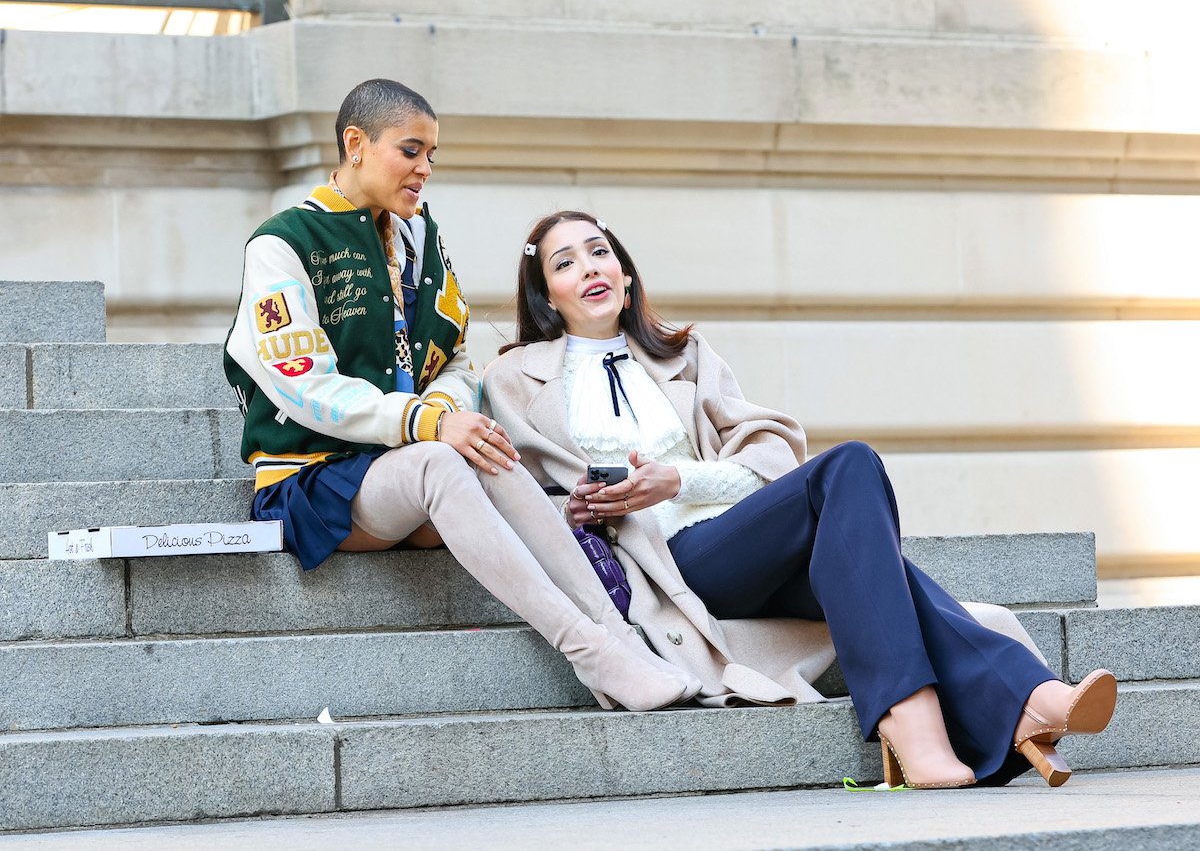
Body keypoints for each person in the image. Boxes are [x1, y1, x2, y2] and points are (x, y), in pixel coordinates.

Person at [482, 210, 1118, 788]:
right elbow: (521, 493)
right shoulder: (516, 377)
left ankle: (1010, 709)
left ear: (625, 274)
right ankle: (984, 707)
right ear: (548, 294)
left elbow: (770, 454)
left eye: (599, 252)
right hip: (669, 563)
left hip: (741, 535)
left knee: (870, 556)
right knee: (850, 467)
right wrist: (579, 508)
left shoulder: (683, 354)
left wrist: (680, 481)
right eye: (564, 262)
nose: (588, 267)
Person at [223, 80, 704, 713]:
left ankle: (622, 641)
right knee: (444, 458)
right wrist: (424, 421)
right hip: (314, 479)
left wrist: (448, 410)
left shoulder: (421, 235)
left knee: (483, 449)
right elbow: (302, 384)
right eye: (411, 150)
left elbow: (453, 355)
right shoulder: (283, 244)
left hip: (410, 467)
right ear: (356, 144)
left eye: (432, 156)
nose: (425, 170)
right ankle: (592, 651)